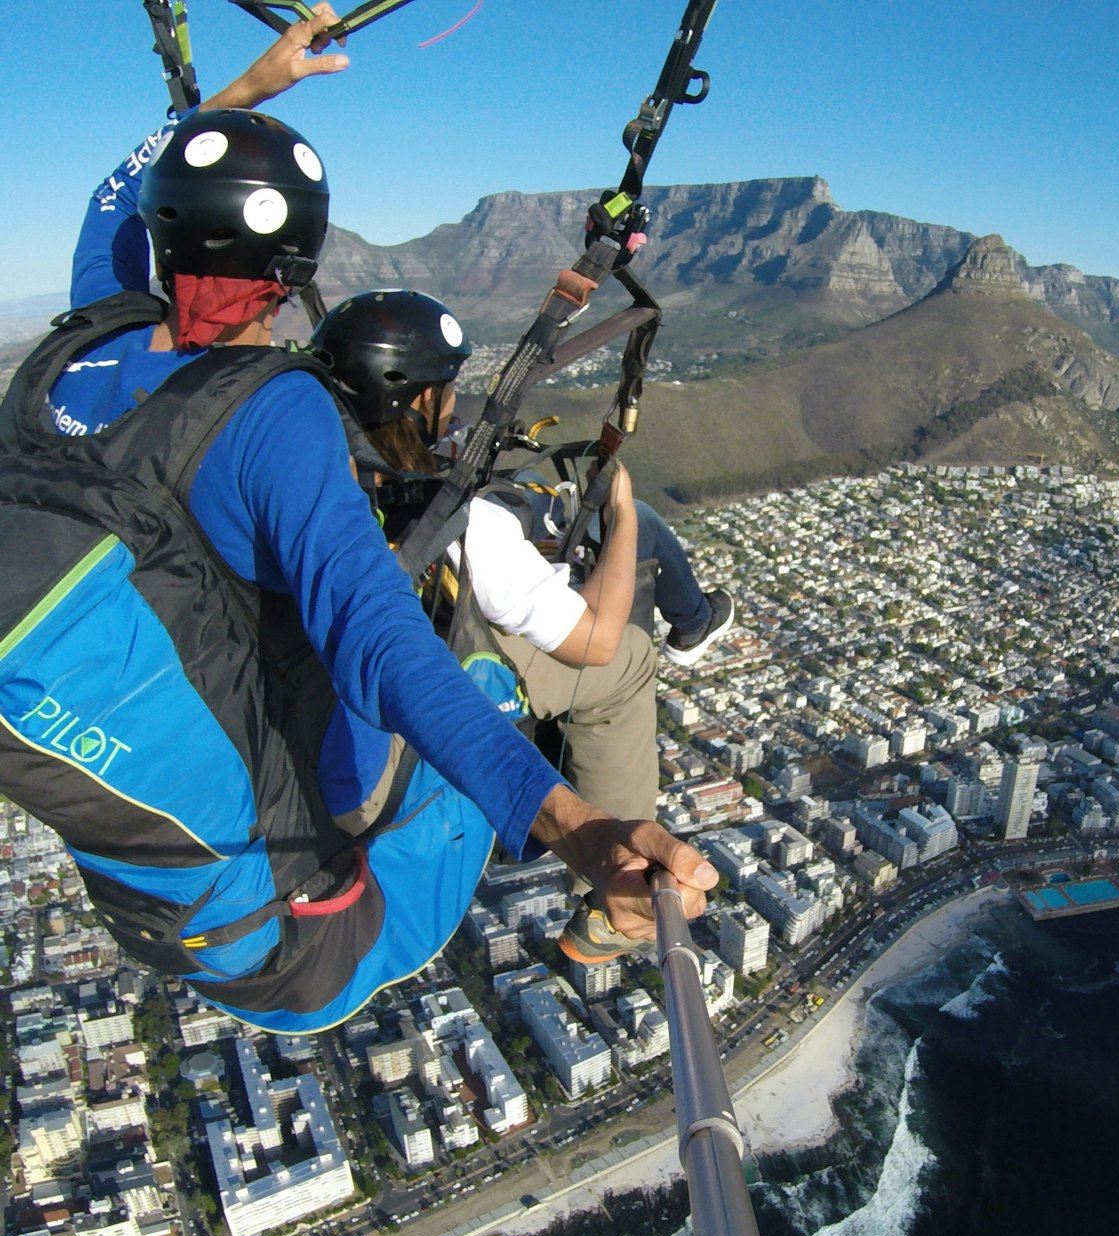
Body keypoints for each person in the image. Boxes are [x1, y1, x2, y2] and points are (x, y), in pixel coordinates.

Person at [14, 9, 716, 1028]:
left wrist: (236, 100)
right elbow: (376, 640)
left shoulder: (72, 354)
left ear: (161, 237)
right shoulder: (268, 413)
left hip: (167, 875)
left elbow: (113, 203)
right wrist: (577, 830)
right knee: (517, 666)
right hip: (321, 913)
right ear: (297, 272)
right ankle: (593, 900)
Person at [311, 289, 734, 825]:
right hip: (418, 700)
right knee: (628, 656)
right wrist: (622, 510)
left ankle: (694, 620)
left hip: (345, 680)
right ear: (418, 402)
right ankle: (613, 883)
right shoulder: (461, 527)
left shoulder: (320, 481)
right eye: (447, 391)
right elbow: (597, 643)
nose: (452, 403)